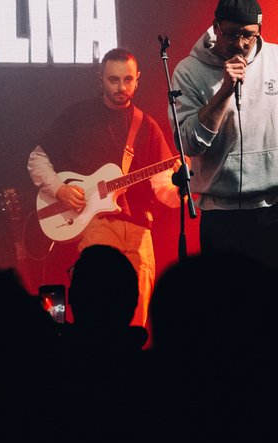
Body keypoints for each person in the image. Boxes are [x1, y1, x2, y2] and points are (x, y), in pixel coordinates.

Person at [173, 0, 278, 312]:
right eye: (231, 34)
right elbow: (189, 143)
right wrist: (224, 91)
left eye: (248, 36)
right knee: (231, 319)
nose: (240, 44)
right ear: (216, 27)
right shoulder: (189, 71)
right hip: (224, 216)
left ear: (259, 31)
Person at [28, 48, 180, 329]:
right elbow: (37, 159)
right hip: (97, 223)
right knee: (101, 304)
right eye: (113, 80)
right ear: (100, 78)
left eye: (128, 79)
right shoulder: (78, 116)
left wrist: (183, 187)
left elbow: (163, 188)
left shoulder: (147, 125)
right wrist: (60, 190)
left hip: (140, 227)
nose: (121, 87)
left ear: (138, 79)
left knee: (140, 307)